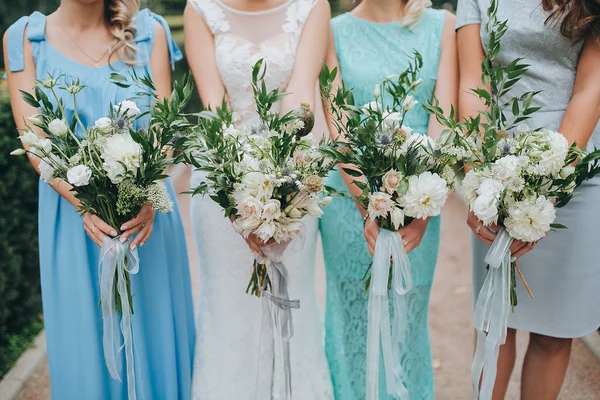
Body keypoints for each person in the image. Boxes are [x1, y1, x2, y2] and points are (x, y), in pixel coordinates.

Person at [3, 1, 195, 398]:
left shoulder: (149, 31)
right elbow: (35, 143)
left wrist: (145, 193)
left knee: (155, 333)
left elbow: (163, 126)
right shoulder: (24, 40)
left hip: (148, 218)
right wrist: (86, 206)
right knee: (85, 340)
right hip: (75, 223)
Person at [183, 0, 334, 397]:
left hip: (292, 171)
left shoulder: (312, 6)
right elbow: (214, 108)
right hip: (222, 174)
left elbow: (302, 97)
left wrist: (285, 195)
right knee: (227, 305)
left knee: (290, 293)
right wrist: (240, 200)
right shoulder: (200, 9)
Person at [456, 0, 600, 398]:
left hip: (575, 171)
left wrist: (542, 193)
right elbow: (473, 82)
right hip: (496, 166)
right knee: (494, 321)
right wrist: (480, 182)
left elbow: (591, 90)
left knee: (554, 334)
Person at [319, 1, 458, 398]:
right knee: (352, 322)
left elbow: (443, 119)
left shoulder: (442, 26)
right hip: (349, 203)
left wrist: (419, 208)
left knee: (406, 318)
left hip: (420, 205)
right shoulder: (333, 30)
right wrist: (374, 209)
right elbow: (338, 123)